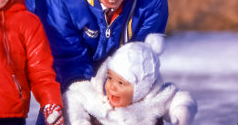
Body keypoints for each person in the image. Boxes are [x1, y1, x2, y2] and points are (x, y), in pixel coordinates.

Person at [21, 0, 169, 123]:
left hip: (103, 46)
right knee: (67, 105)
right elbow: (67, 64)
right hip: (33, 39)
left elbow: (137, 62)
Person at [63, 33, 198, 125]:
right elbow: (73, 96)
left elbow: (179, 98)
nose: (112, 86)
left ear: (141, 88)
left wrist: (182, 111)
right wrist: (79, 121)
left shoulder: (154, 101)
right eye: (110, 78)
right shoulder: (96, 96)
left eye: (121, 83)